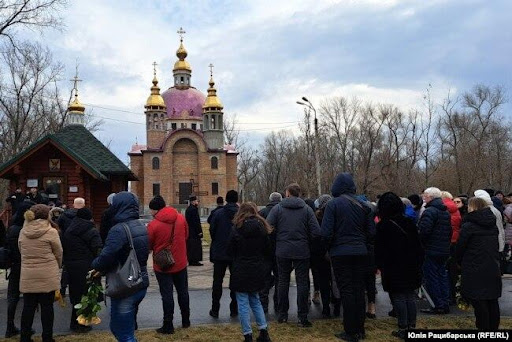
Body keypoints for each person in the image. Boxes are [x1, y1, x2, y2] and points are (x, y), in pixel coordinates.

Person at [320, 173, 373, 342]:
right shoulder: (365, 206)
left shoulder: (333, 205)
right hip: (360, 252)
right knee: (359, 289)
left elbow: (326, 233)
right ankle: (360, 329)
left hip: (340, 253)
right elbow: (372, 232)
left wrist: (327, 249)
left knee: (347, 291)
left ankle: (350, 331)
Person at [91, 191, 149, 342]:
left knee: (122, 333)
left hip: (125, 285)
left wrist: (95, 264)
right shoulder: (140, 225)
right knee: (125, 329)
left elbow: (106, 257)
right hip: (140, 280)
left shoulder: (118, 229)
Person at [267, 183, 320, 327]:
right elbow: (316, 232)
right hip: (302, 250)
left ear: (288, 193)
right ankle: (302, 316)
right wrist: (306, 241)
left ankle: (282, 315)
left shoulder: (278, 209)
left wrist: (277, 240)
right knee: (302, 282)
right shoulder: (307, 210)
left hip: (282, 250)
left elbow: (268, 228)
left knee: (283, 281)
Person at [375, 192, 424, 339]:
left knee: (399, 296)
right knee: (410, 295)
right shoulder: (409, 222)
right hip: (411, 263)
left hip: (393, 265)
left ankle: (403, 328)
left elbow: (379, 249)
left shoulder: (383, 225)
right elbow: (418, 245)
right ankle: (412, 326)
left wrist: (379, 265)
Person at [227, 202, 272, 342]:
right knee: (256, 300)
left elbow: (229, 250)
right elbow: (267, 250)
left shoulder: (236, 229)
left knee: (243, 303)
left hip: (240, 268)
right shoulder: (262, 228)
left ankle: (247, 334)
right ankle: (263, 331)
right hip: (257, 268)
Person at [18, 204, 63, 342]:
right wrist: (57, 266)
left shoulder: (23, 231)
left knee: (28, 307)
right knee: (47, 307)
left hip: (28, 273)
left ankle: (25, 337)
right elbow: (58, 252)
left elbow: (21, 249)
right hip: (47, 273)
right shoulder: (51, 232)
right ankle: (47, 337)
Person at [456, 197, 502, 330]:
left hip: (474, 267)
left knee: (479, 303)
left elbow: (460, 248)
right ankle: (493, 329)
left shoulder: (469, 226)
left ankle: (483, 330)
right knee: (492, 301)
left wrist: (459, 262)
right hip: (492, 266)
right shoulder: (492, 224)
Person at [147, 195, 190, 334]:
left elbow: (149, 244)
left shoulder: (153, 225)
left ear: (154, 210)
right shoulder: (181, 218)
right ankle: (186, 320)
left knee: (167, 295)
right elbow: (186, 235)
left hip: (163, 265)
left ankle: (168, 325)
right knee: (183, 292)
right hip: (181, 262)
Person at [62, 207, 102, 333]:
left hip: (71, 266)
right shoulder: (91, 230)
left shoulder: (69, 229)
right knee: (87, 295)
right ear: (89, 217)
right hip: (87, 266)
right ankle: (83, 323)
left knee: (75, 295)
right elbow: (98, 249)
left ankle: (74, 322)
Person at [418, 187, 451, 315]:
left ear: (430, 197)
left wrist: (421, 244)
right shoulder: (445, 212)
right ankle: (444, 302)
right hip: (443, 249)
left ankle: (438, 305)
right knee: (442, 276)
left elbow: (424, 231)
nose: (423, 197)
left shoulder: (430, 211)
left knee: (432, 278)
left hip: (431, 250)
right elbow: (449, 231)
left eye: (425, 195)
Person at [208, 190, 239, 318]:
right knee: (236, 281)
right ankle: (234, 309)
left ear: (226, 199)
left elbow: (212, 230)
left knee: (217, 282)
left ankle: (215, 309)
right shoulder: (241, 214)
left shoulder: (218, 213)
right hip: (236, 252)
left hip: (220, 251)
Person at [4, 202, 32, 338]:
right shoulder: (26, 229)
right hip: (26, 265)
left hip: (14, 265)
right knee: (29, 298)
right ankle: (25, 327)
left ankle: (10, 326)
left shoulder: (12, 228)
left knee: (13, 297)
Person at [312, 194, 336, 318]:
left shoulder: (316, 217)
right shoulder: (337, 215)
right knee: (336, 280)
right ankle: (337, 305)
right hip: (335, 252)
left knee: (324, 282)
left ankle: (326, 308)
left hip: (320, 254)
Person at [258, 192, 282, 313]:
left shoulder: (261, 213)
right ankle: (278, 304)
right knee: (279, 278)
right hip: (279, 249)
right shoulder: (283, 212)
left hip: (265, 250)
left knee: (264, 278)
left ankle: (264, 305)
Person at [441, 191, 462, 306]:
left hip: (445, 242)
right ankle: (452, 295)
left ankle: (447, 296)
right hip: (454, 241)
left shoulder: (443, 209)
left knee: (444, 271)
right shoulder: (456, 210)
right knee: (452, 271)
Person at [475, 190, 505, 255]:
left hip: (488, 245)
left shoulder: (487, 211)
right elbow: (500, 229)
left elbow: (498, 228)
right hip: (494, 244)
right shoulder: (495, 210)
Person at [185, 196, 203, 266]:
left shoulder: (188, 209)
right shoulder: (193, 209)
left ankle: (191, 260)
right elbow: (196, 221)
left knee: (190, 246)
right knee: (195, 246)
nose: (197, 202)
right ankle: (195, 260)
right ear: (193, 202)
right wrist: (199, 231)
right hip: (194, 231)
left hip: (190, 230)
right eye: (196, 201)